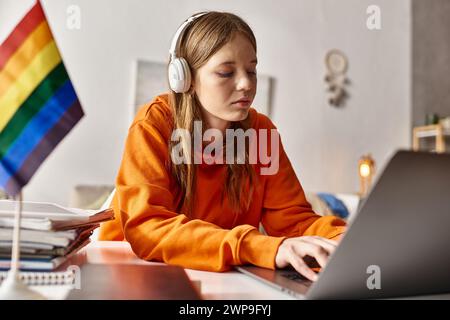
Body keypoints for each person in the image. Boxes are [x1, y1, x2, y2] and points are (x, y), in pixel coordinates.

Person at [99, 11, 346, 282]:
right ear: (185, 79)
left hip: (217, 275)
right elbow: (148, 229)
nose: (246, 83)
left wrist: (345, 239)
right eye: (226, 72)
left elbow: (294, 222)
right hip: (131, 274)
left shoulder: (261, 132)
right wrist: (253, 246)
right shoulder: (153, 125)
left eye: (251, 70)